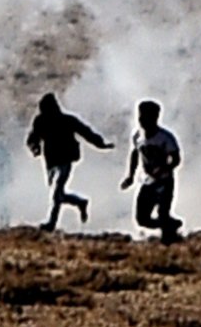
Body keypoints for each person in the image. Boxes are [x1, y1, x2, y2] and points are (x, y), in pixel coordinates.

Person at [25, 93, 110, 231]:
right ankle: (80, 202)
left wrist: (100, 144)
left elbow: (85, 132)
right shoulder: (40, 121)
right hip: (50, 163)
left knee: (56, 192)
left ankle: (51, 223)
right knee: (58, 194)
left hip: (65, 161)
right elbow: (32, 138)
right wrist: (35, 148)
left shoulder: (67, 120)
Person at [120, 99, 184, 243]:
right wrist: (130, 176)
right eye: (140, 118)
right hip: (147, 182)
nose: (142, 121)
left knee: (162, 212)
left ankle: (169, 241)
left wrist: (163, 169)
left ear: (155, 118)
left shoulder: (165, 137)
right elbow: (135, 154)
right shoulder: (137, 136)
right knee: (142, 219)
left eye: (146, 118)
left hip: (165, 182)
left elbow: (176, 158)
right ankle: (171, 225)